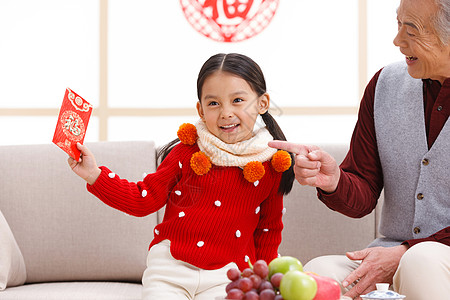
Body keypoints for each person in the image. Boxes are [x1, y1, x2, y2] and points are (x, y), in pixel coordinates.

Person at [68, 53, 294, 299]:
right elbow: (143, 199)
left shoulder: (272, 165)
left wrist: (265, 282)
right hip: (170, 269)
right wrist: (94, 175)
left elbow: (268, 231)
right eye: (214, 103)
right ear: (200, 109)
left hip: (228, 275)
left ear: (262, 103)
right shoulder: (186, 151)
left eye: (238, 100)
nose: (226, 113)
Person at [269, 0, 450, 299]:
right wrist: (334, 180)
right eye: (398, 24)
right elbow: (364, 194)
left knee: (422, 261)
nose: (397, 41)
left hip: (428, 260)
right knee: (320, 274)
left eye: (412, 30)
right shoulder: (384, 85)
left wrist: (407, 253)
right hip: (393, 251)